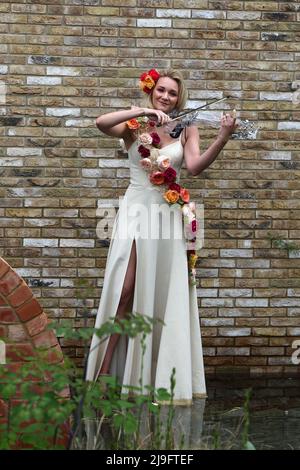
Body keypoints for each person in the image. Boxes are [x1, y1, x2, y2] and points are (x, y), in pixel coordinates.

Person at [86, 68, 237, 405]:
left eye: (172, 94)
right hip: (136, 213)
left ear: (178, 99)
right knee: (124, 291)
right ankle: (104, 375)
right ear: (152, 91)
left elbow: (195, 167)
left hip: (168, 218)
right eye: (162, 91)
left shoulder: (186, 127)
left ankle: (154, 378)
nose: (166, 97)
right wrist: (141, 111)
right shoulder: (134, 125)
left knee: (161, 293)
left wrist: (223, 136)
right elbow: (100, 122)